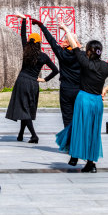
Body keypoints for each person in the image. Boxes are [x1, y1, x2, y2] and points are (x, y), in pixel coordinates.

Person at [56, 22, 108, 173]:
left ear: (90, 52)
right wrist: (105, 89)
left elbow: (74, 44)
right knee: (93, 132)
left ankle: (74, 156)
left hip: (84, 99)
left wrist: (66, 30)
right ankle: (91, 164)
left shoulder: (85, 62)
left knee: (78, 127)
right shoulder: (106, 66)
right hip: (97, 102)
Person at [31, 16, 82, 165]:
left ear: (67, 44)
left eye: (64, 40)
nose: (61, 42)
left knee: (67, 118)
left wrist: (41, 26)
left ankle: (69, 145)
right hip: (79, 90)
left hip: (66, 89)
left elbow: (50, 40)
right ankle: (77, 144)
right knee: (77, 119)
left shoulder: (62, 53)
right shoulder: (81, 55)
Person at [5, 15, 58, 143]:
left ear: (29, 42)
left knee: (24, 109)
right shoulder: (43, 56)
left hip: (22, 81)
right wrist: (44, 80)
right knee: (26, 108)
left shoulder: (25, 50)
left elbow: (22, 35)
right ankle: (21, 134)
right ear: (39, 43)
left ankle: (34, 135)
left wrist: (23, 20)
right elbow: (56, 70)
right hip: (33, 83)